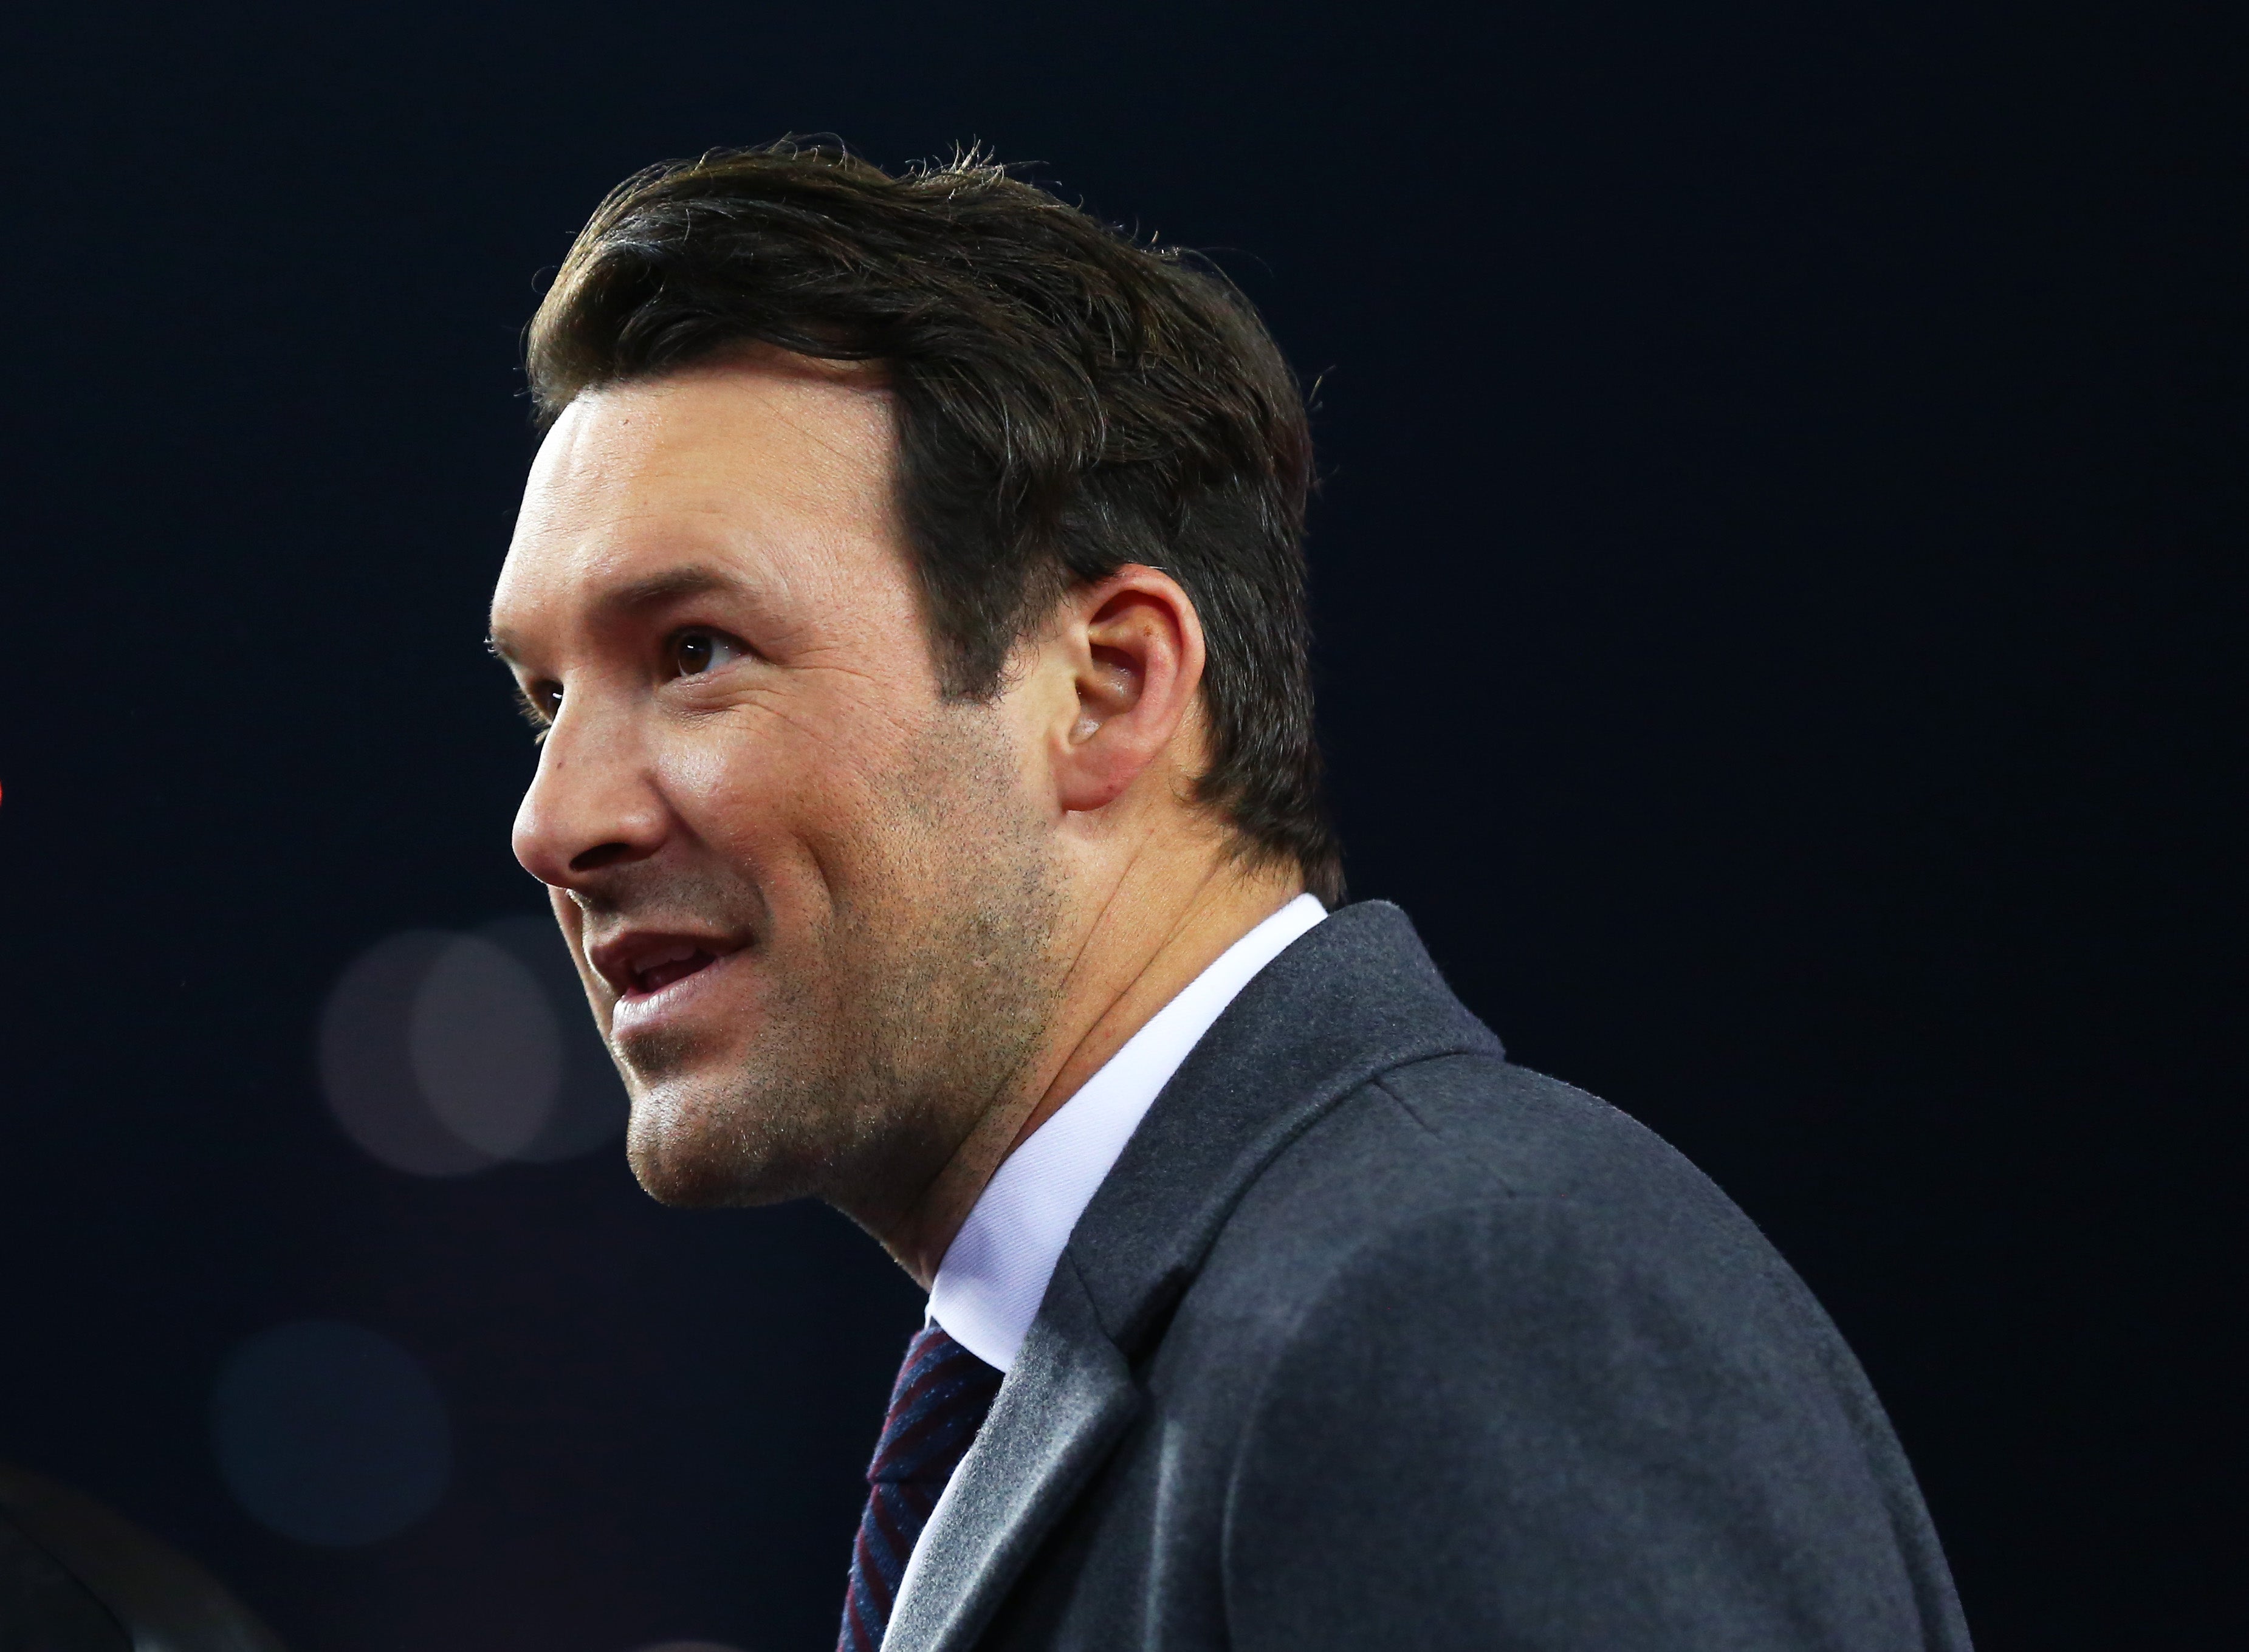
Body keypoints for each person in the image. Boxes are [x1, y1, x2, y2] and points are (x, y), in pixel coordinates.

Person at [487, 142, 1972, 1652]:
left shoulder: (1461, 1309)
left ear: (1107, 687)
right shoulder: (1214, 1328)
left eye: (693, 654)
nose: (557, 822)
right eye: (546, 700)